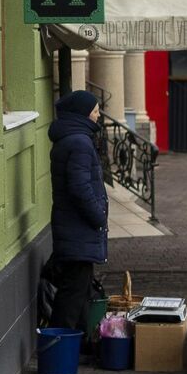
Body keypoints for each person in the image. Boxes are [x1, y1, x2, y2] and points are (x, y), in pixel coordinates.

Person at [48, 89, 109, 345]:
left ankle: (82, 343)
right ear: (83, 113)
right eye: (95, 111)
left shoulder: (71, 139)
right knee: (72, 293)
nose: (98, 116)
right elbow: (80, 187)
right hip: (79, 230)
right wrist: (99, 216)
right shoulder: (80, 143)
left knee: (81, 289)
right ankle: (59, 346)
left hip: (73, 229)